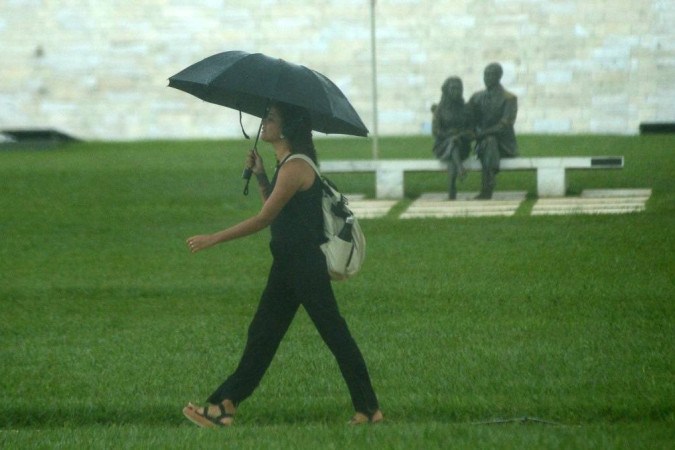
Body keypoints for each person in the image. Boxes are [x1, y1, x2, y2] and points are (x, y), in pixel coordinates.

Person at [182, 101, 383, 427]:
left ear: (286, 128)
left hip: (304, 267)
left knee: (335, 334)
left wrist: (213, 238)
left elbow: (264, 219)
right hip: (287, 265)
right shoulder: (285, 165)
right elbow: (279, 213)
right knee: (262, 334)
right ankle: (225, 405)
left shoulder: (295, 168)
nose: (264, 123)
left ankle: (369, 409)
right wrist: (261, 174)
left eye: (270, 118)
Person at [468, 63, 518, 199]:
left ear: (499, 76)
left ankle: (487, 189)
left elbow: (504, 125)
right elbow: (466, 118)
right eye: (485, 74)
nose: (487, 78)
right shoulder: (476, 97)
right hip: (482, 144)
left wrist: (481, 134)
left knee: (490, 141)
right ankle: (488, 185)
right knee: (489, 142)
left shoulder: (509, 98)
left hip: (503, 145)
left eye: (491, 75)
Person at [431, 76, 474, 200]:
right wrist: (450, 135)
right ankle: (460, 169)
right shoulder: (440, 110)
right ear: (447, 91)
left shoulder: (466, 109)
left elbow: (472, 132)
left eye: (459, 88)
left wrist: (460, 135)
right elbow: (436, 132)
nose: (457, 91)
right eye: (453, 88)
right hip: (442, 147)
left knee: (454, 150)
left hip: (462, 147)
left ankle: (452, 189)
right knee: (452, 143)